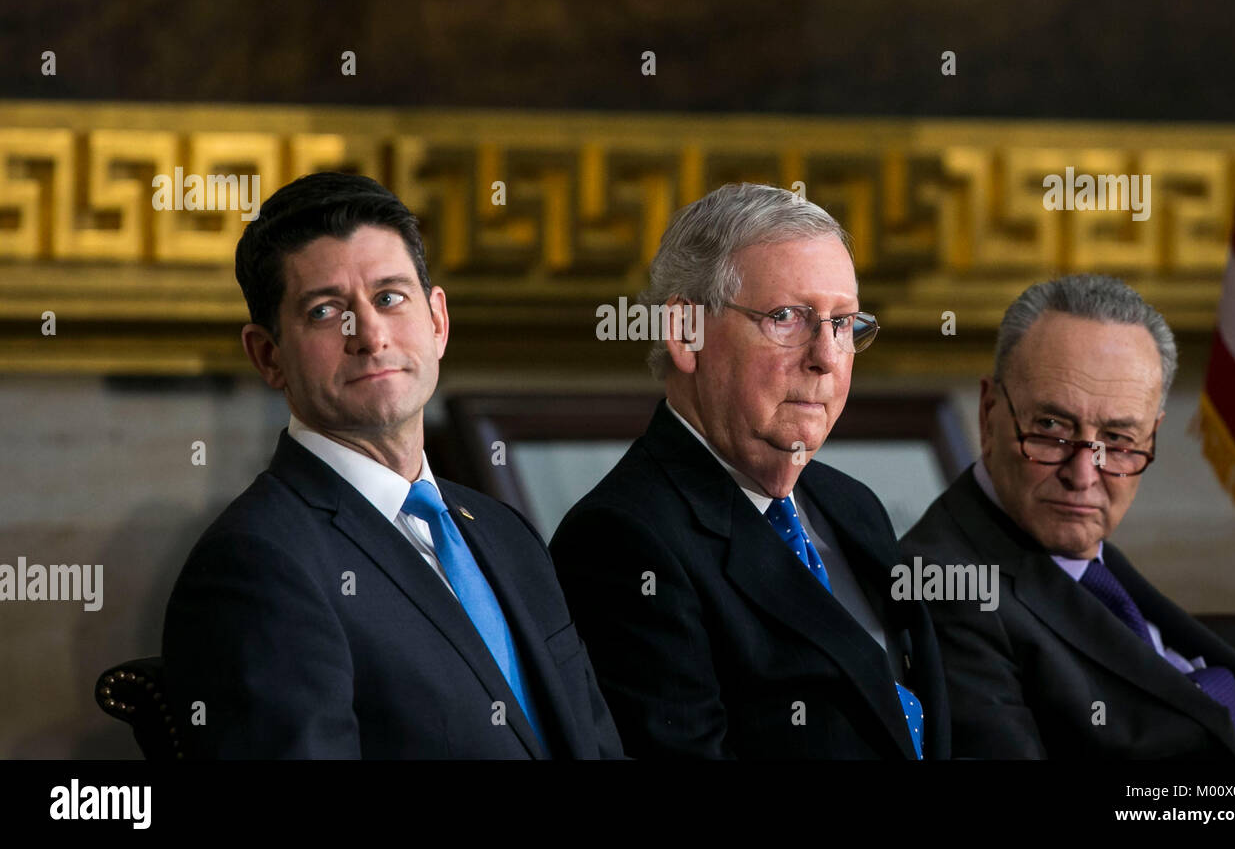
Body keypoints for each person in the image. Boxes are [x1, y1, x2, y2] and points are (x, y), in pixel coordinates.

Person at [163, 172, 622, 758]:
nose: (370, 335)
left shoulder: (507, 533)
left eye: (388, 298)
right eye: (327, 311)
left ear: (437, 322)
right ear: (269, 355)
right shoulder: (255, 564)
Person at [550, 183, 950, 759]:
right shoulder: (623, 541)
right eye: (788, 318)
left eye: (843, 323)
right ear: (686, 334)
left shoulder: (852, 505)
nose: (827, 356)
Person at [902, 274, 1235, 758]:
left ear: (1152, 436)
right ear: (989, 413)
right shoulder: (945, 589)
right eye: (1051, 428)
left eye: (1120, 439)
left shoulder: (1079, 559)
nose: (1084, 474)